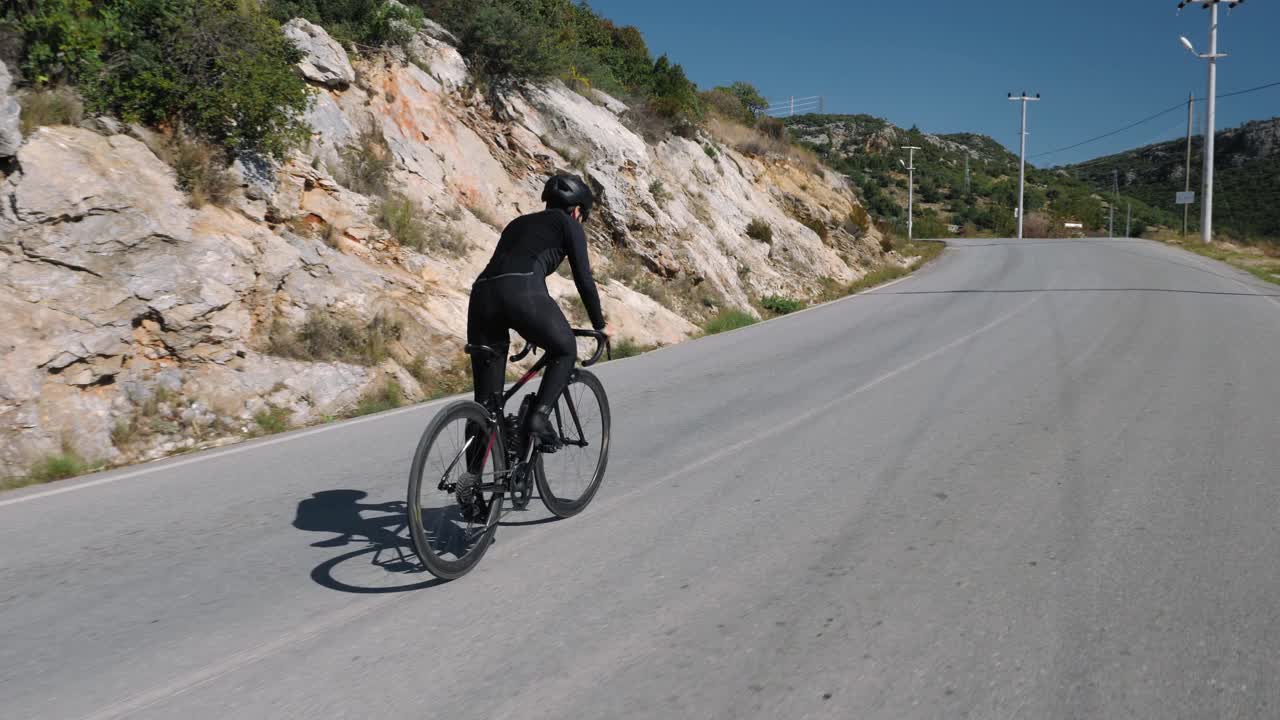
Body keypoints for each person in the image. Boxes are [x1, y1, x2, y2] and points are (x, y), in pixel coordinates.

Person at [467, 174, 607, 449]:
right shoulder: (570, 224)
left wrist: (531, 326)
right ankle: (538, 418)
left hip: (482, 295)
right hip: (521, 292)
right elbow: (584, 280)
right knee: (566, 349)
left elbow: (509, 270)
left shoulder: (516, 224)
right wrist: (600, 325)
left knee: (486, 405)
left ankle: (473, 484)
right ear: (578, 211)